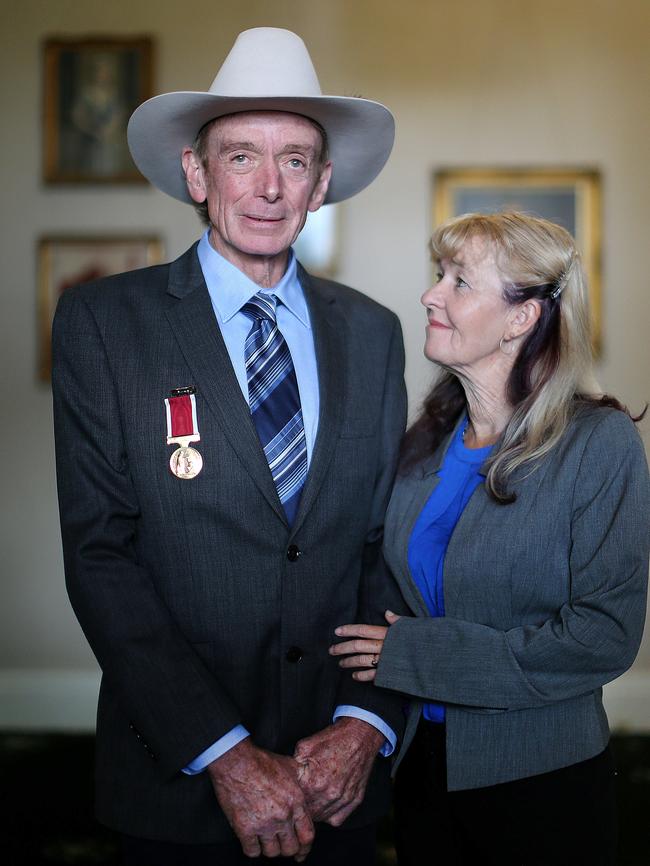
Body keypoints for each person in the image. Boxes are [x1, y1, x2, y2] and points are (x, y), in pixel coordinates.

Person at [52, 28, 407, 866]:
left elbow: (390, 546)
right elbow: (101, 556)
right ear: (195, 172)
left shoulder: (375, 333)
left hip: (339, 788)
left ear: (323, 183)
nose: (268, 187)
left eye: (294, 160)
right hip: (177, 784)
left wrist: (365, 722)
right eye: (241, 155)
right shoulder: (106, 324)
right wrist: (227, 754)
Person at [330, 211, 650, 865]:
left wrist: (420, 655)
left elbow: (601, 637)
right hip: (424, 772)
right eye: (437, 275)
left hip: (543, 784)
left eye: (459, 282)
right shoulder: (423, 442)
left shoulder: (600, 443)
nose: (430, 294)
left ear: (521, 319)